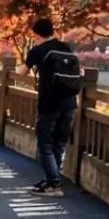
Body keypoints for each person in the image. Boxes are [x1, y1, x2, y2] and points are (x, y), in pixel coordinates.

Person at [17, 18, 80, 197]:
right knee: (59, 143)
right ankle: (51, 179)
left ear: (36, 34)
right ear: (52, 31)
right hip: (69, 103)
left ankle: (54, 183)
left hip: (49, 104)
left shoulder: (38, 50)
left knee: (45, 143)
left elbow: (22, 72)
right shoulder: (66, 48)